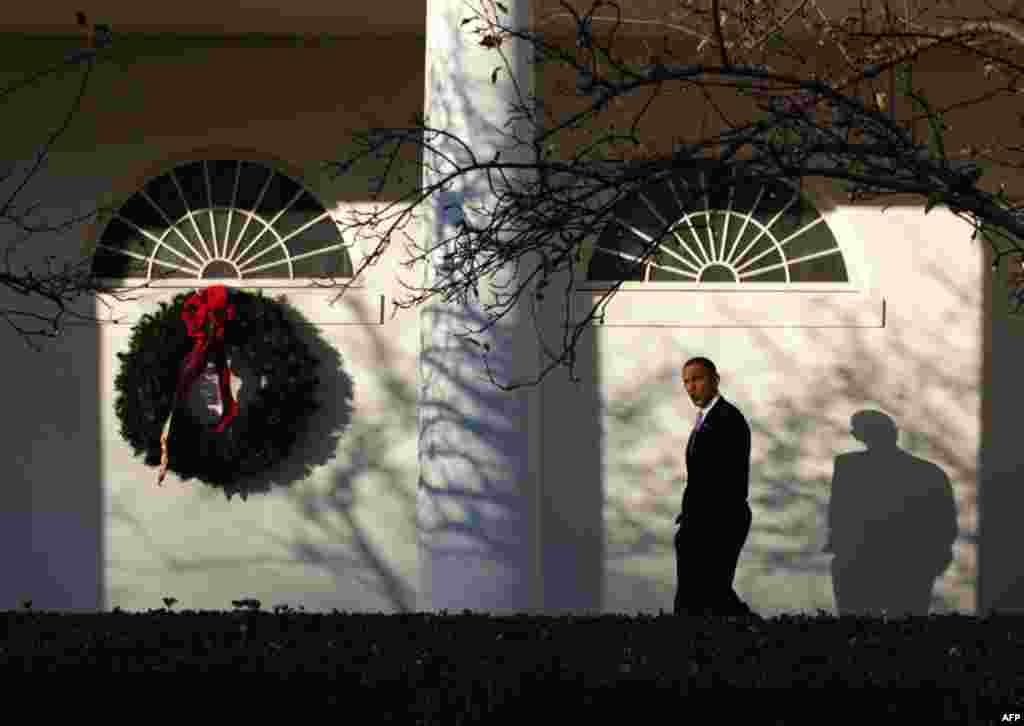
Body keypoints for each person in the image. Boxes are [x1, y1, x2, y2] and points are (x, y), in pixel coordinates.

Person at [674, 356, 758, 618]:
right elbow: (700, 475)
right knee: (703, 595)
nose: (691, 387)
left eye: (697, 379)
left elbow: (725, 477)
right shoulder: (706, 418)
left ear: (715, 380)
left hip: (720, 519)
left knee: (711, 593)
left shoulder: (727, 418)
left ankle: (757, 635)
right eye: (686, 382)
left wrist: (698, 517)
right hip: (699, 520)